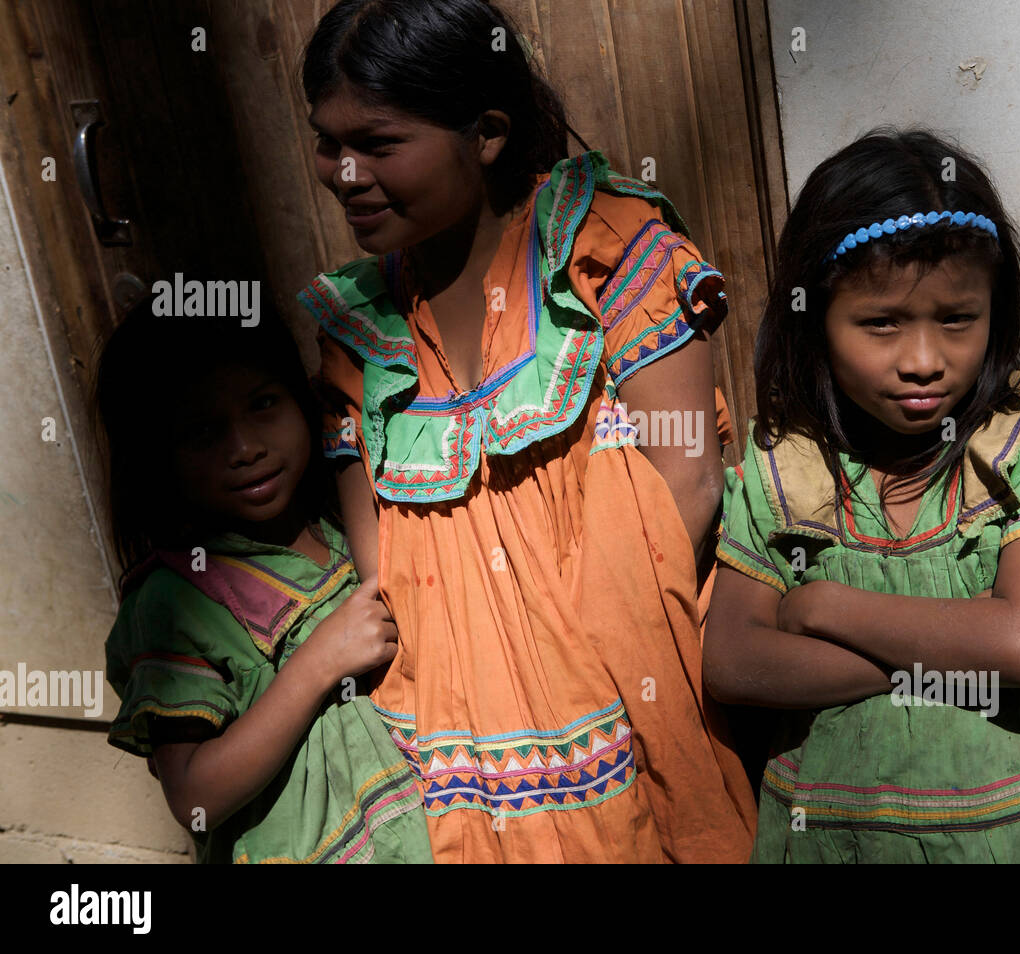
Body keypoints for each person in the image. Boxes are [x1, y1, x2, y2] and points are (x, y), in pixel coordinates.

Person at [297, 0, 755, 862]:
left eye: (380, 142)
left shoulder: (608, 255)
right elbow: (384, 564)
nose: (346, 172)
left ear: (489, 134)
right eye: (328, 141)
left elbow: (686, 488)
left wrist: (571, 680)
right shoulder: (359, 332)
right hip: (453, 735)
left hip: (623, 693)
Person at [704, 127, 1020, 863]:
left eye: (957, 319)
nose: (923, 361)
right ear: (815, 322)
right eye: (880, 323)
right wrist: (947, 650)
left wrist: (825, 610)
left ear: (996, 309)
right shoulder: (786, 466)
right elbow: (733, 662)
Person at [98, 302, 433, 863]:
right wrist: (320, 661)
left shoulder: (337, 523)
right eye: (203, 432)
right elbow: (194, 794)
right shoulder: (176, 599)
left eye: (263, 404)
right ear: (156, 456)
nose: (245, 448)